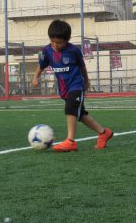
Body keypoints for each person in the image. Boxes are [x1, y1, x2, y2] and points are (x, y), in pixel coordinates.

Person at [31, 19, 113, 152]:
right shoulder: (46, 51)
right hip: (64, 89)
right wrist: (35, 77)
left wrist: (86, 81)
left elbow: (82, 67)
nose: (56, 45)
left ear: (67, 40)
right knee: (80, 115)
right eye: (53, 41)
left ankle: (70, 141)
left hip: (76, 86)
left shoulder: (73, 50)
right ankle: (104, 133)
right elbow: (41, 65)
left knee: (70, 108)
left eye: (59, 42)